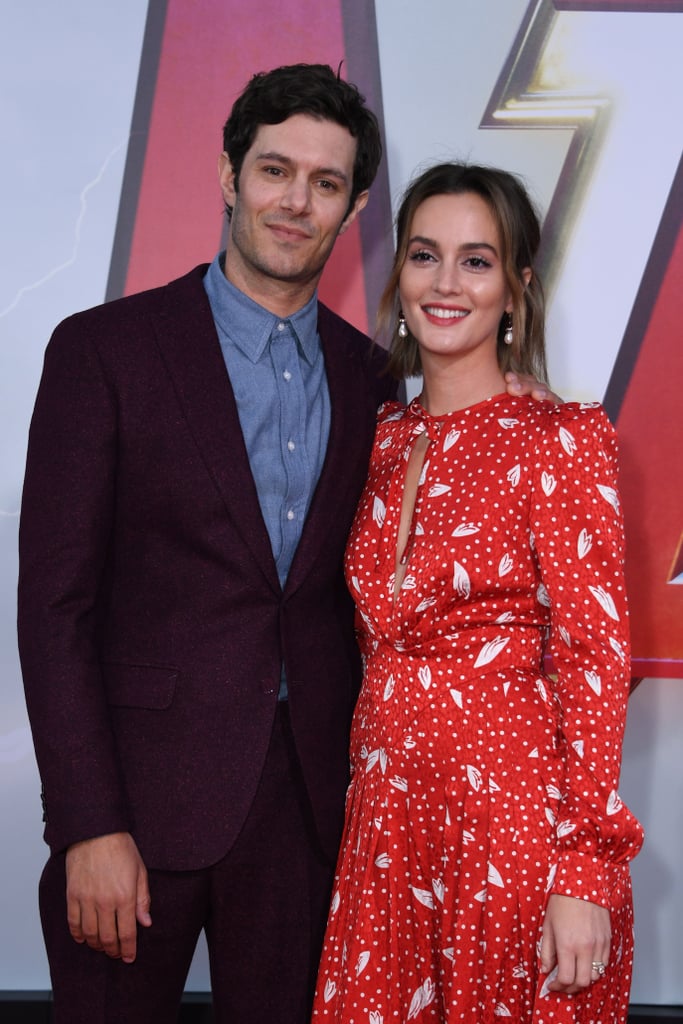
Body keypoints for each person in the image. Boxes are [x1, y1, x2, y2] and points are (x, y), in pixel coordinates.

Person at [18, 64, 552, 1024]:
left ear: (350, 211)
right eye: (274, 170)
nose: (295, 202)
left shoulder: (373, 382)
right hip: (133, 817)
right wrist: (88, 822)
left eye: (327, 182)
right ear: (229, 178)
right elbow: (52, 610)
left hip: (311, 825)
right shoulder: (104, 351)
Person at [311, 163, 644, 1023]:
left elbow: (596, 661)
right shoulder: (378, 438)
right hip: (385, 834)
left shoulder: (560, 440)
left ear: (515, 289)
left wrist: (583, 872)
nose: (444, 283)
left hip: (511, 841)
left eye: (475, 261)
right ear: (399, 278)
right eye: (425, 256)